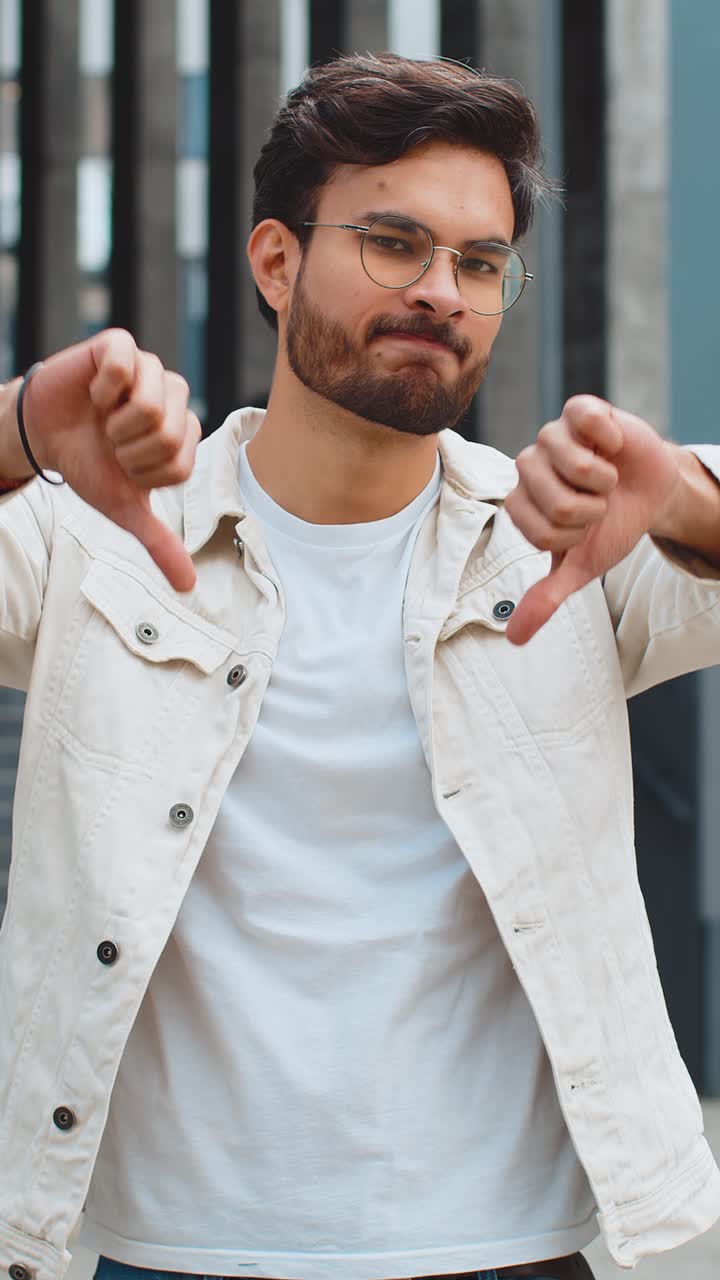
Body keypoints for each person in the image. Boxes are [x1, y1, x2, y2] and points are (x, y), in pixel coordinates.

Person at [0, 51, 719, 1280]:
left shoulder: (559, 544)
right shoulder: (99, 544)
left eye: (479, 263)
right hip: (175, 1249)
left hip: (510, 1247)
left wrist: (690, 502)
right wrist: (17, 428)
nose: (441, 289)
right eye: (394, 242)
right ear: (275, 263)